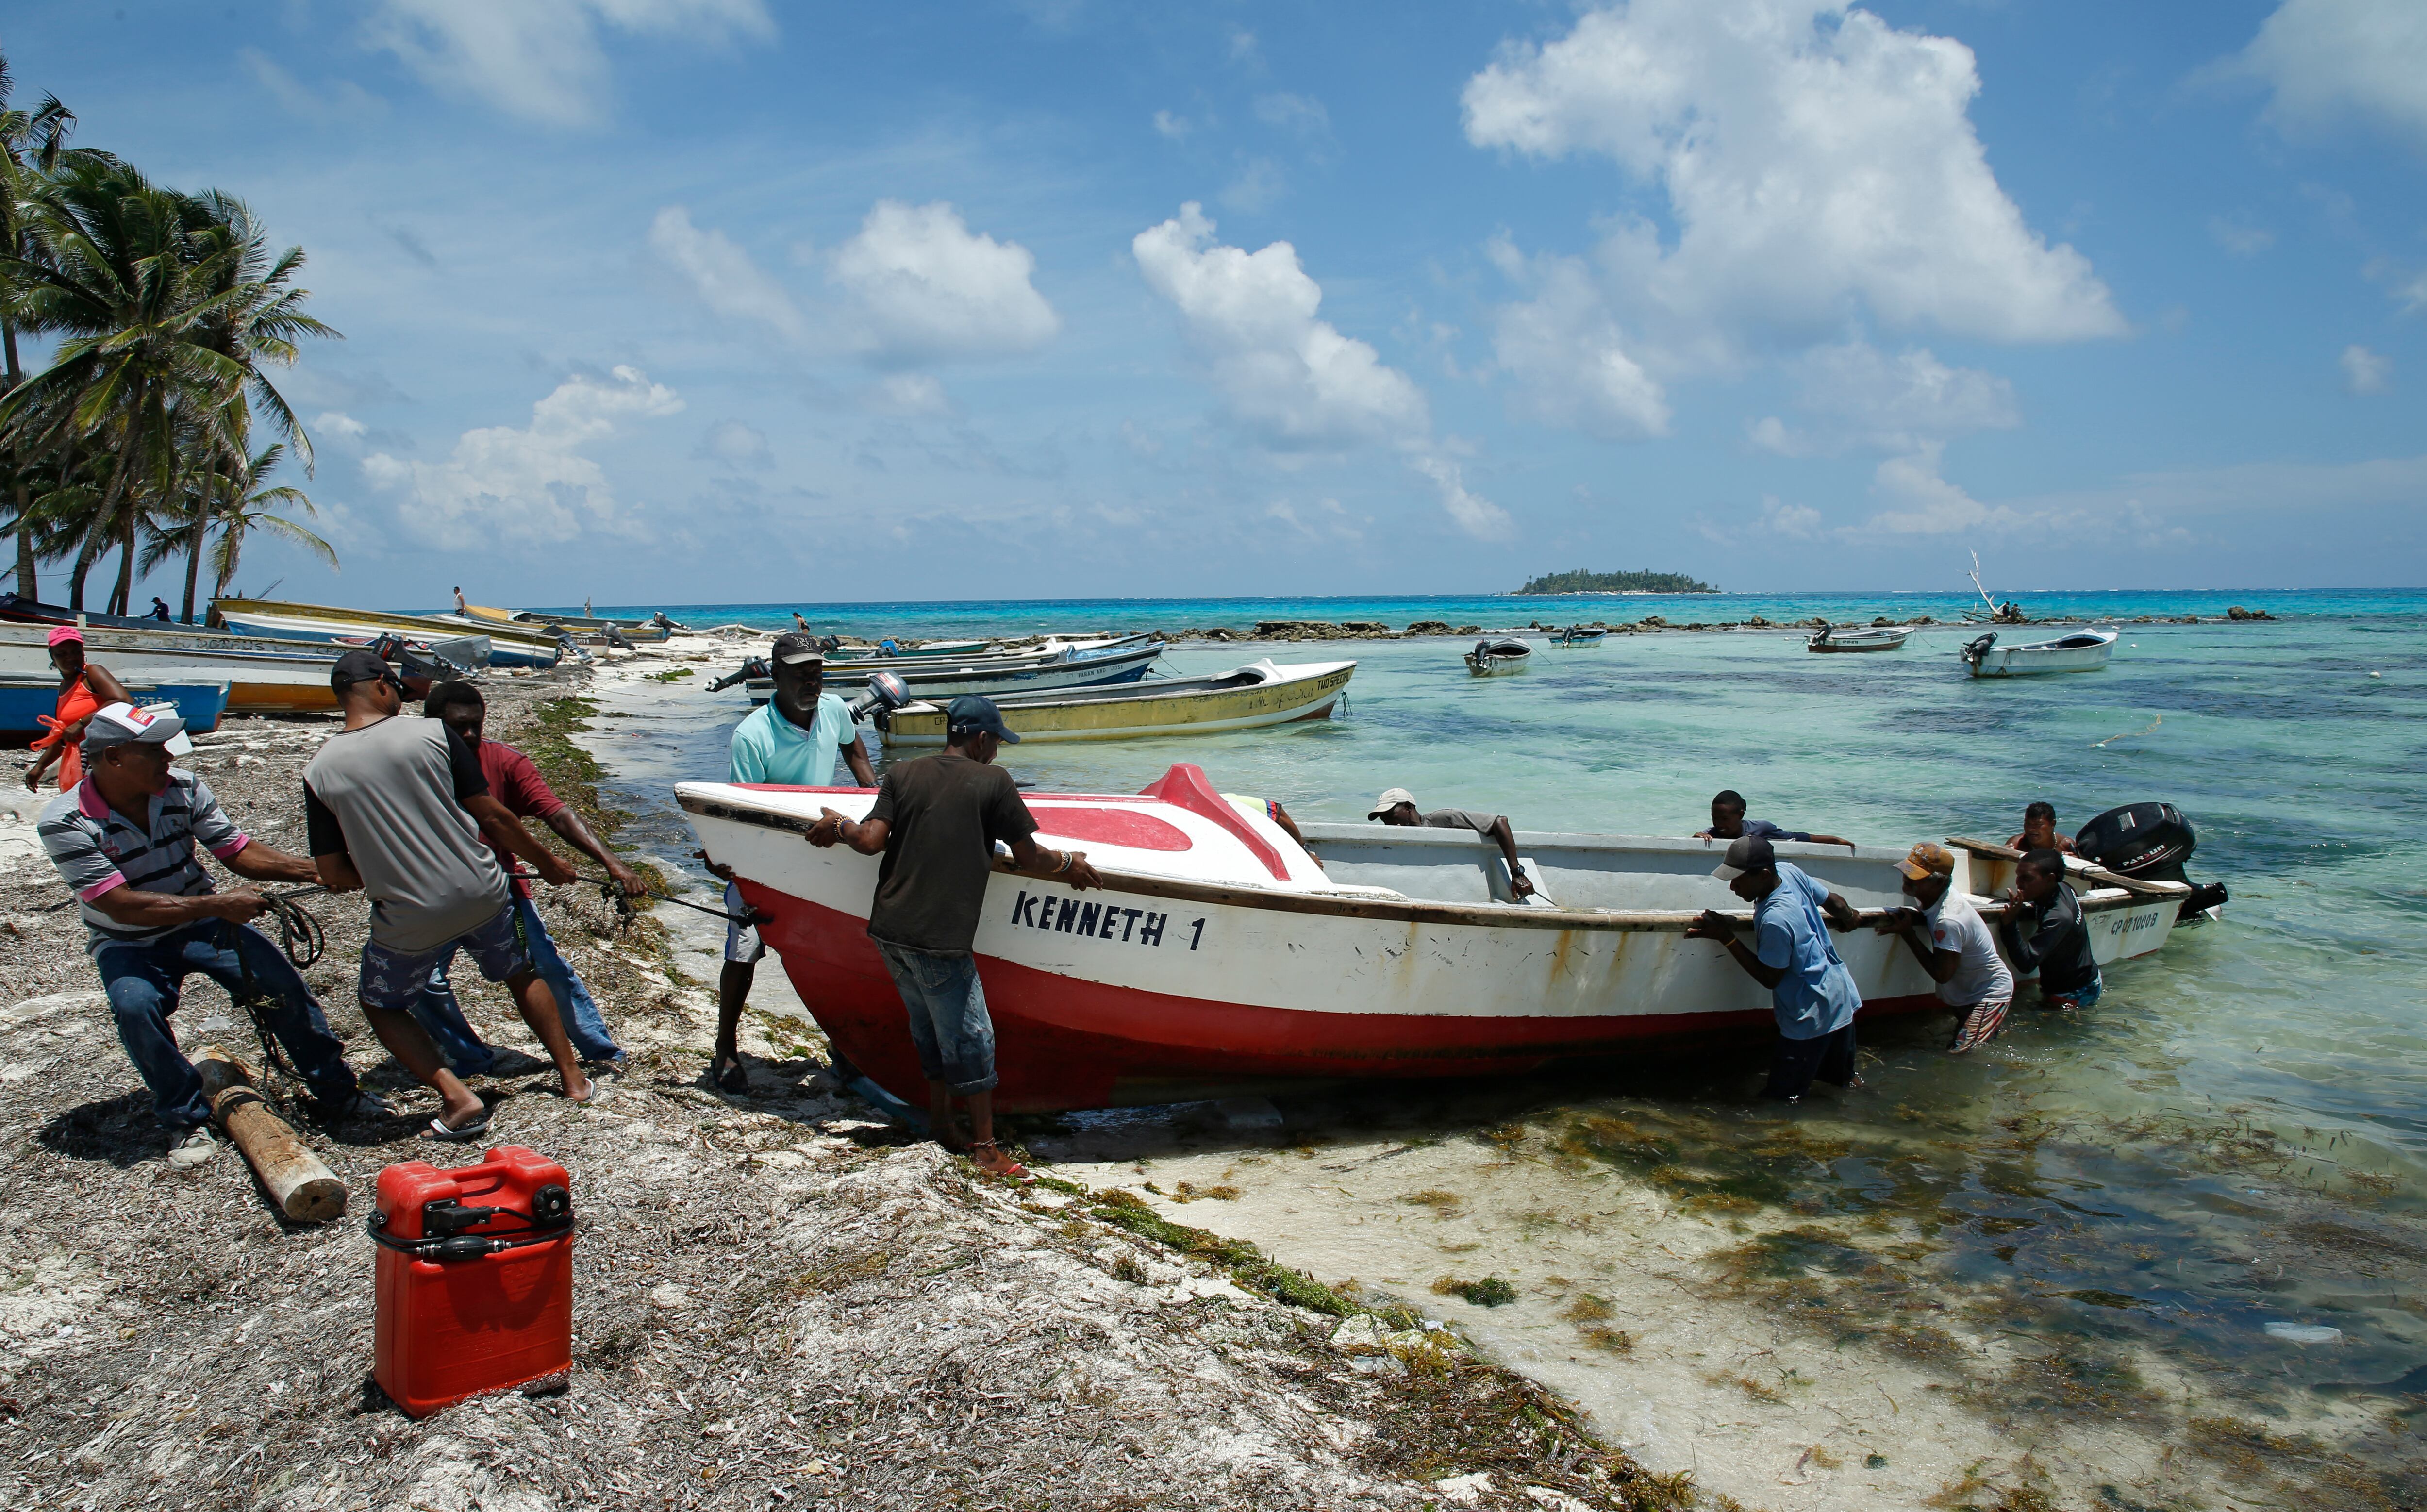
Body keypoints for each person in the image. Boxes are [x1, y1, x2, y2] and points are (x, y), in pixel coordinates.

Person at [36, 702, 385, 1169]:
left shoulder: (182, 789)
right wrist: (218, 905)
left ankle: (337, 1092)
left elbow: (237, 850)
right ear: (114, 757)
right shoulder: (65, 820)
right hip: (129, 940)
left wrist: (321, 871)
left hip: (202, 921)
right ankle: (183, 1117)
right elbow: (119, 904)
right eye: (154, 749)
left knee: (283, 987)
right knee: (136, 1008)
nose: (168, 757)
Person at [807, 695, 1101, 1180]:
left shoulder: (902, 772)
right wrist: (1069, 863)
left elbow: (868, 841)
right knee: (973, 1037)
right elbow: (1029, 857)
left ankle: (942, 1124)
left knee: (929, 1031)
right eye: (996, 743)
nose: (997, 754)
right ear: (981, 739)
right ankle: (985, 1149)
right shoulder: (994, 782)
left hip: (889, 930)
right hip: (937, 938)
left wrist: (837, 823)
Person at [303, 649, 594, 1138]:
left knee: (380, 1003)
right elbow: (494, 817)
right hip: (483, 891)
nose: (399, 694)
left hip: (410, 913)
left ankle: (457, 1096)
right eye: (396, 686)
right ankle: (572, 1077)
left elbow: (333, 873)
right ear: (379, 685)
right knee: (520, 972)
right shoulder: (432, 734)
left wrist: (381, 866)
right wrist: (547, 862)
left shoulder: (319, 771)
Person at [405, 681, 641, 1075]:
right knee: (421, 981)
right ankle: (470, 1056)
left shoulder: (505, 761)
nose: (468, 735)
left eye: (475, 725)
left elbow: (557, 813)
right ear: (430, 725)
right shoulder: (408, 768)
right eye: (457, 727)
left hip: (501, 892)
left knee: (543, 964)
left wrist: (612, 863)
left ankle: (598, 1050)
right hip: (430, 895)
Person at [698, 632, 878, 1093]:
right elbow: (744, 814)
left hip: (823, 854)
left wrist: (872, 802)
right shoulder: (751, 735)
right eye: (799, 672)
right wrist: (728, 859)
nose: (810, 681)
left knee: (836, 958)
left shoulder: (835, 708)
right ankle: (726, 1048)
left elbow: (853, 746)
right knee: (744, 953)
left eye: (816, 671)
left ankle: (845, 1049)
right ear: (774, 675)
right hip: (767, 856)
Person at [1686, 834, 1866, 1102]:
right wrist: (1852, 917)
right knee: (1842, 1083)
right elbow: (1836, 904)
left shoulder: (1775, 919)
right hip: (1840, 998)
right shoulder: (1790, 871)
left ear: (1764, 875)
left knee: (1782, 1099)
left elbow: (1770, 977)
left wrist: (1727, 937)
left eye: (1738, 879)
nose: (1732, 887)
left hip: (1810, 1016)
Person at [1878, 843, 2014, 1053]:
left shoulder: (1949, 920)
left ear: (1939, 882)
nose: (1907, 878)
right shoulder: (1932, 897)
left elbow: (1942, 975)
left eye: (1916, 875)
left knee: (1959, 1054)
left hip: (1989, 993)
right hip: (1967, 992)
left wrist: (1908, 934)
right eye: (1908, 871)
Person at [1369, 787, 1536, 899]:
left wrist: (1517, 873)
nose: (1388, 823)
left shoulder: (1443, 819)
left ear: (1407, 807)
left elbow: (1500, 822)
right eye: (1384, 820)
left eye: (1390, 814)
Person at [25, 627, 132, 794]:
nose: (71, 658)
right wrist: (39, 767)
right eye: (62, 654)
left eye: (76, 652)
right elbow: (63, 735)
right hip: (83, 761)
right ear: (52, 655)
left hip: (105, 758)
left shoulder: (92, 673)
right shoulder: (65, 686)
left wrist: (81, 723)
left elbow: (124, 701)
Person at [2000, 848, 2100, 1010]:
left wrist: (2009, 924)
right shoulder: (2063, 887)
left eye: (2027, 878)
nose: (2019, 882)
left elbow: (2026, 965)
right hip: (2084, 977)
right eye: (2018, 875)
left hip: (2073, 993)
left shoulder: (2059, 917)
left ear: (2050, 879)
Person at [1696, 790, 1852, 848]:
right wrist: (1696, 838)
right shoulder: (1712, 834)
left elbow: (1796, 838)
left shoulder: (1762, 828)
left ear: (1741, 815)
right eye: (1714, 818)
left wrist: (1836, 841)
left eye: (1724, 819)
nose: (1719, 824)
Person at [2005, 801, 2078, 856]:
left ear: (2053, 824)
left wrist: (2076, 861)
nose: (2031, 829)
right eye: (2028, 824)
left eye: (2038, 825)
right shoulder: (2016, 844)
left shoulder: (2066, 845)